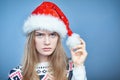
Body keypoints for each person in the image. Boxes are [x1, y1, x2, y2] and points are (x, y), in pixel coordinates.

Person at [8, 1, 88, 80]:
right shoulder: (17, 74)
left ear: (58, 38)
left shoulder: (72, 67)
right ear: (32, 39)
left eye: (52, 35)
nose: (47, 42)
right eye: (40, 35)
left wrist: (79, 65)